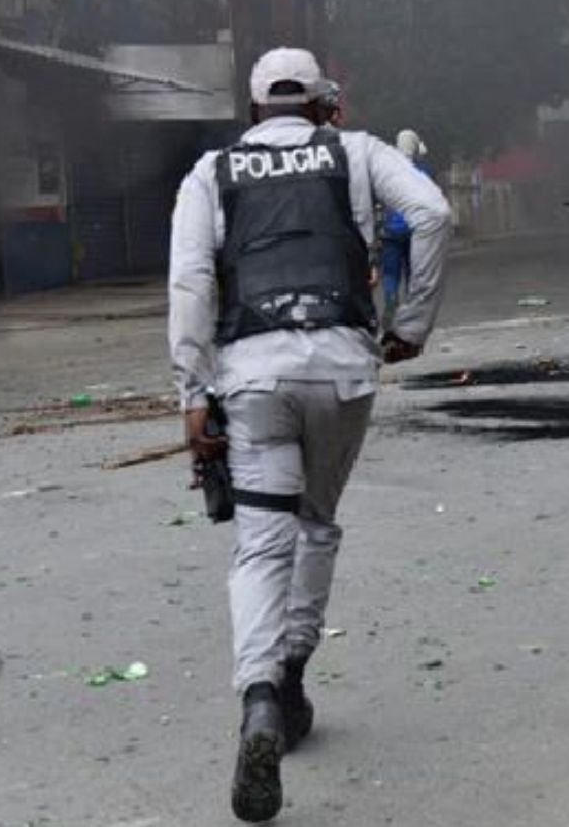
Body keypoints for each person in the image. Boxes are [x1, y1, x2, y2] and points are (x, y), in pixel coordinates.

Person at [168, 48, 451, 823]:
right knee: (315, 522)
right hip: (341, 369)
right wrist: (413, 324)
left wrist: (192, 391)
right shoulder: (357, 152)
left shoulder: (212, 171)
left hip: (252, 377)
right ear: (324, 101)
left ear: (255, 105)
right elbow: (431, 213)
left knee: (261, 545)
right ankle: (292, 677)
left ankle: (260, 698)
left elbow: (192, 281)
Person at [379, 129, 434, 329]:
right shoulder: (424, 170)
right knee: (413, 271)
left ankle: (391, 299)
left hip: (391, 231)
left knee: (390, 271)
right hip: (416, 230)